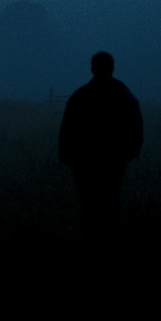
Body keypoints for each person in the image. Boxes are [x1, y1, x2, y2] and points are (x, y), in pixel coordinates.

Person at [58, 51, 143, 228]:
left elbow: (67, 129)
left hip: (84, 160)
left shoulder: (80, 96)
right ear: (112, 68)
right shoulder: (124, 95)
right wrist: (130, 152)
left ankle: (93, 235)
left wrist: (66, 154)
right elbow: (135, 127)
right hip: (114, 159)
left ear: (92, 69)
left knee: (89, 201)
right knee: (109, 199)